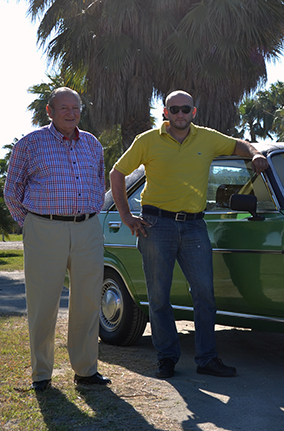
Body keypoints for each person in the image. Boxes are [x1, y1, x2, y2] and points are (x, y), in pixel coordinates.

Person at [109, 90, 268, 379]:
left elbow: (239, 145)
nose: (180, 114)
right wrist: (126, 216)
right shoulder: (146, 140)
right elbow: (117, 173)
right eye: (174, 109)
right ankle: (167, 358)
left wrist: (256, 153)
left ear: (194, 112)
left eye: (185, 109)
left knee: (205, 294)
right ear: (165, 112)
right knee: (158, 296)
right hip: (157, 225)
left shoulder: (206, 137)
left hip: (195, 225)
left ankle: (207, 358)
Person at [3, 87, 111, 392]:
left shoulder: (92, 144)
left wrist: (91, 217)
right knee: (43, 303)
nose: (71, 113)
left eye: (75, 107)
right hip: (44, 228)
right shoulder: (31, 143)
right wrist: (30, 225)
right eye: (63, 107)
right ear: (49, 111)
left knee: (89, 301)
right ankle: (41, 374)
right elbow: (12, 190)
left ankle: (86, 370)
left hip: (87, 228)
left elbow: (98, 183)